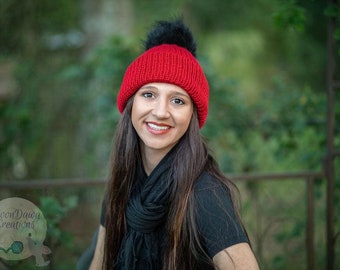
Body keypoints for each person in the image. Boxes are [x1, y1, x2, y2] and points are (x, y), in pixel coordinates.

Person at [88, 19, 259, 270]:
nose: (160, 112)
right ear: (131, 104)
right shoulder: (122, 182)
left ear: (192, 115)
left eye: (178, 101)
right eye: (149, 94)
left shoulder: (204, 194)